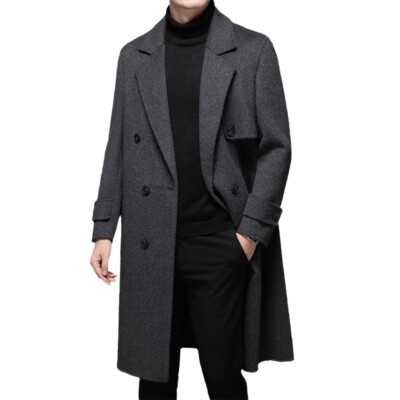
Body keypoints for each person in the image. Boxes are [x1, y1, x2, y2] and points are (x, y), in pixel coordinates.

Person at [90, 0, 294, 399]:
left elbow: (277, 148)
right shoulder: (134, 56)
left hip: (220, 242)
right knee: (154, 381)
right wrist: (104, 229)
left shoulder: (253, 50)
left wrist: (249, 235)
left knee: (222, 379)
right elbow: (119, 145)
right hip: (151, 243)